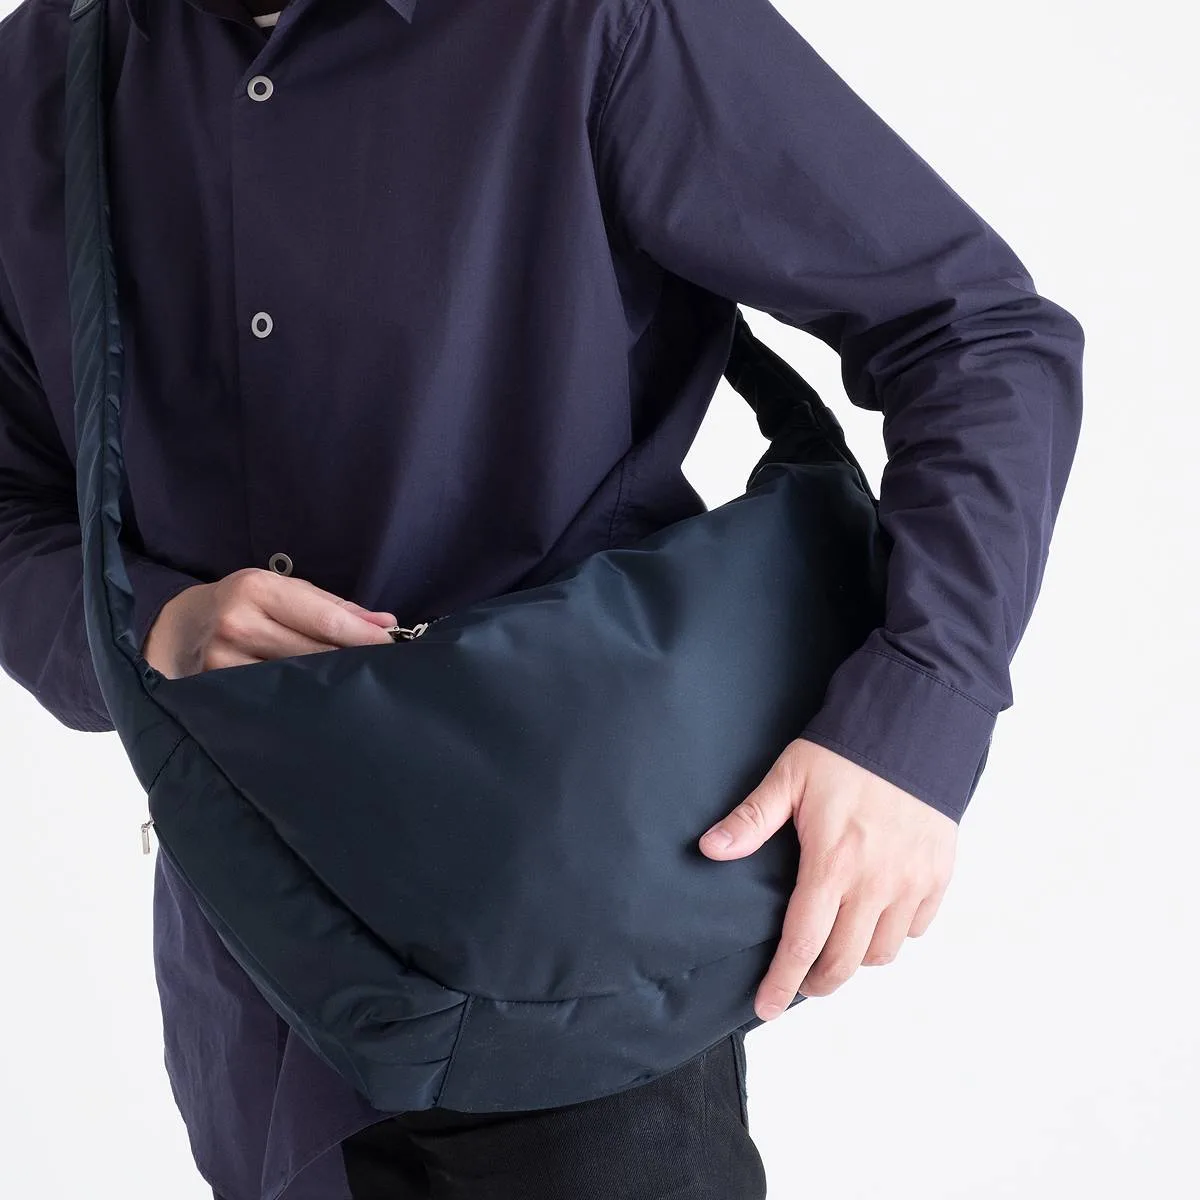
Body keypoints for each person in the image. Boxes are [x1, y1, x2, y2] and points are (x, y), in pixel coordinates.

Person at [0, 0, 1085, 1196]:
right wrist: (155, 622)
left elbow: (974, 330)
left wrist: (918, 714)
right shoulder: (39, 74)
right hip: (246, 1000)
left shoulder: (592, 21)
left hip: (574, 974)